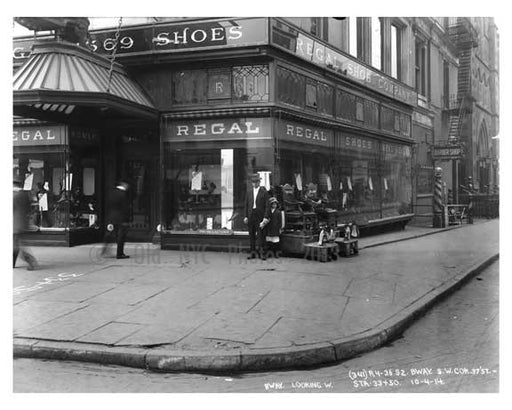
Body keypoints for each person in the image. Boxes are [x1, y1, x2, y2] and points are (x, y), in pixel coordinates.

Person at [13, 178, 38, 270]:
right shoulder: (25, 195)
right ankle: (12, 263)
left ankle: (31, 262)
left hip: (15, 224)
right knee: (16, 244)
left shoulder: (14, 196)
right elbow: (29, 208)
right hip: (22, 223)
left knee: (16, 245)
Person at [244, 173, 270, 259]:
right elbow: (246, 205)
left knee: (261, 235)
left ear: (259, 182)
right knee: (251, 235)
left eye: (256, 182)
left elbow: (267, 205)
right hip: (251, 214)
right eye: (253, 182)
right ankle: (252, 253)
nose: (254, 184)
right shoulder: (249, 192)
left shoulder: (264, 192)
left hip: (260, 215)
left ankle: (262, 253)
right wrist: (246, 216)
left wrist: (266, 217)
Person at [102, 181, 131, 259]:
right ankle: (120, 253)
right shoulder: (123, 194)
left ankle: (104, 249)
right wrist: (127, 218)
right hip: (121, 218)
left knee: (109, 233)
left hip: (112, 217)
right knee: (121, 236)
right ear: (124, 185)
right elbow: (125, 207)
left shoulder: (111, 193)